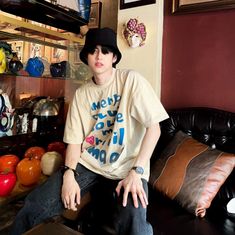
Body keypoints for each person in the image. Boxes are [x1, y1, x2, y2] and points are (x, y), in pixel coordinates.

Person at [10, 27, 168, 235]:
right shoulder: (82, 95)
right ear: (86, 57)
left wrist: (137, 172)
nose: (99, 56)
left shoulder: (131, 81)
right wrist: (68, 176)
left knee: (136, 227)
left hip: (126, 168)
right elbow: (74, 142)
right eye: (93, 51)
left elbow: (154, 129)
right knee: (34, 206)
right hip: (89, 164)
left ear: (114, 57)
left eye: (105, 51)